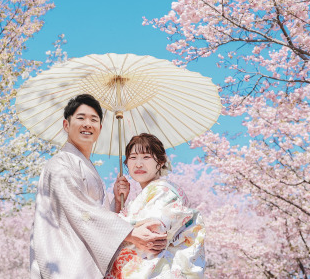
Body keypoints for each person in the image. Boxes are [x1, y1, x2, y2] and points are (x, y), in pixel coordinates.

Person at [30, 94, 167, 279]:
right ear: (66, 125)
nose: (87, 124)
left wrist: (117, 204)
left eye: (93, 119)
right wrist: (130, 232)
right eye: (80, 118)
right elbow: (80, 211)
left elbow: (93, 214)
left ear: (100, 128)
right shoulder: (59, 165)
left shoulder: (84, 166)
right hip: (67, 263)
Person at [106, 133, 206, 279]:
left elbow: (153, 229)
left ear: (159, 162)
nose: (138, 163)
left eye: (146, 157)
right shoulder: (145, 195)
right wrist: (119, 201)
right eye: (133, 158)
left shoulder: (164, 190)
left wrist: (108, 222)